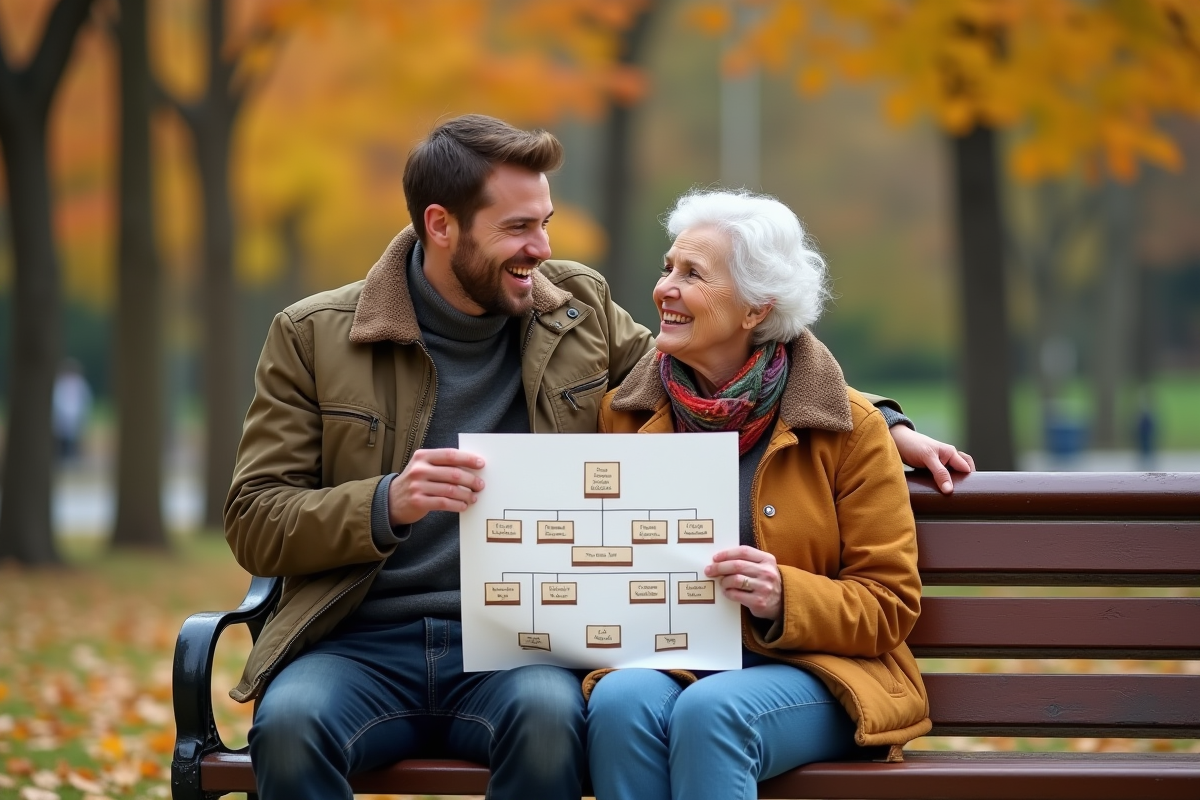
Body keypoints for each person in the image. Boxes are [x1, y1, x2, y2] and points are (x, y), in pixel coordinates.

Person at [225, 115, 969, 800]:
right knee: (291, 728)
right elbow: (255, 520)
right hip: (358, 640)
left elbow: (734, 362)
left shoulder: (570, 309)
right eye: (519, 228)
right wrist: (385, 501)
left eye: (544, 223)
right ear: (441, 226)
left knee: (553, 723)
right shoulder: (314, 336)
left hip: (517, 648)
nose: (542, 250)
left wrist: (885, 423)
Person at [585, 188, 935, 800]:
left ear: (755, 309)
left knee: (711, 713)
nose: (665, 287)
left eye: (692, 273)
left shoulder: (849, 429)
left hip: (822, 672)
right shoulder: (625, 417)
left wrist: (783, 596)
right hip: (680, 660)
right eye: (668, 267)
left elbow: (889, 605)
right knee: (617, 699)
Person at [53, 359, 93, 462]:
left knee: (75, 438)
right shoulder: (61, 383)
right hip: (63, 415)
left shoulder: (80, 383)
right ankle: (64, 457)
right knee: (63, 439)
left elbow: (85, 400)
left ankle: (73, 457)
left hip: (75, 415)